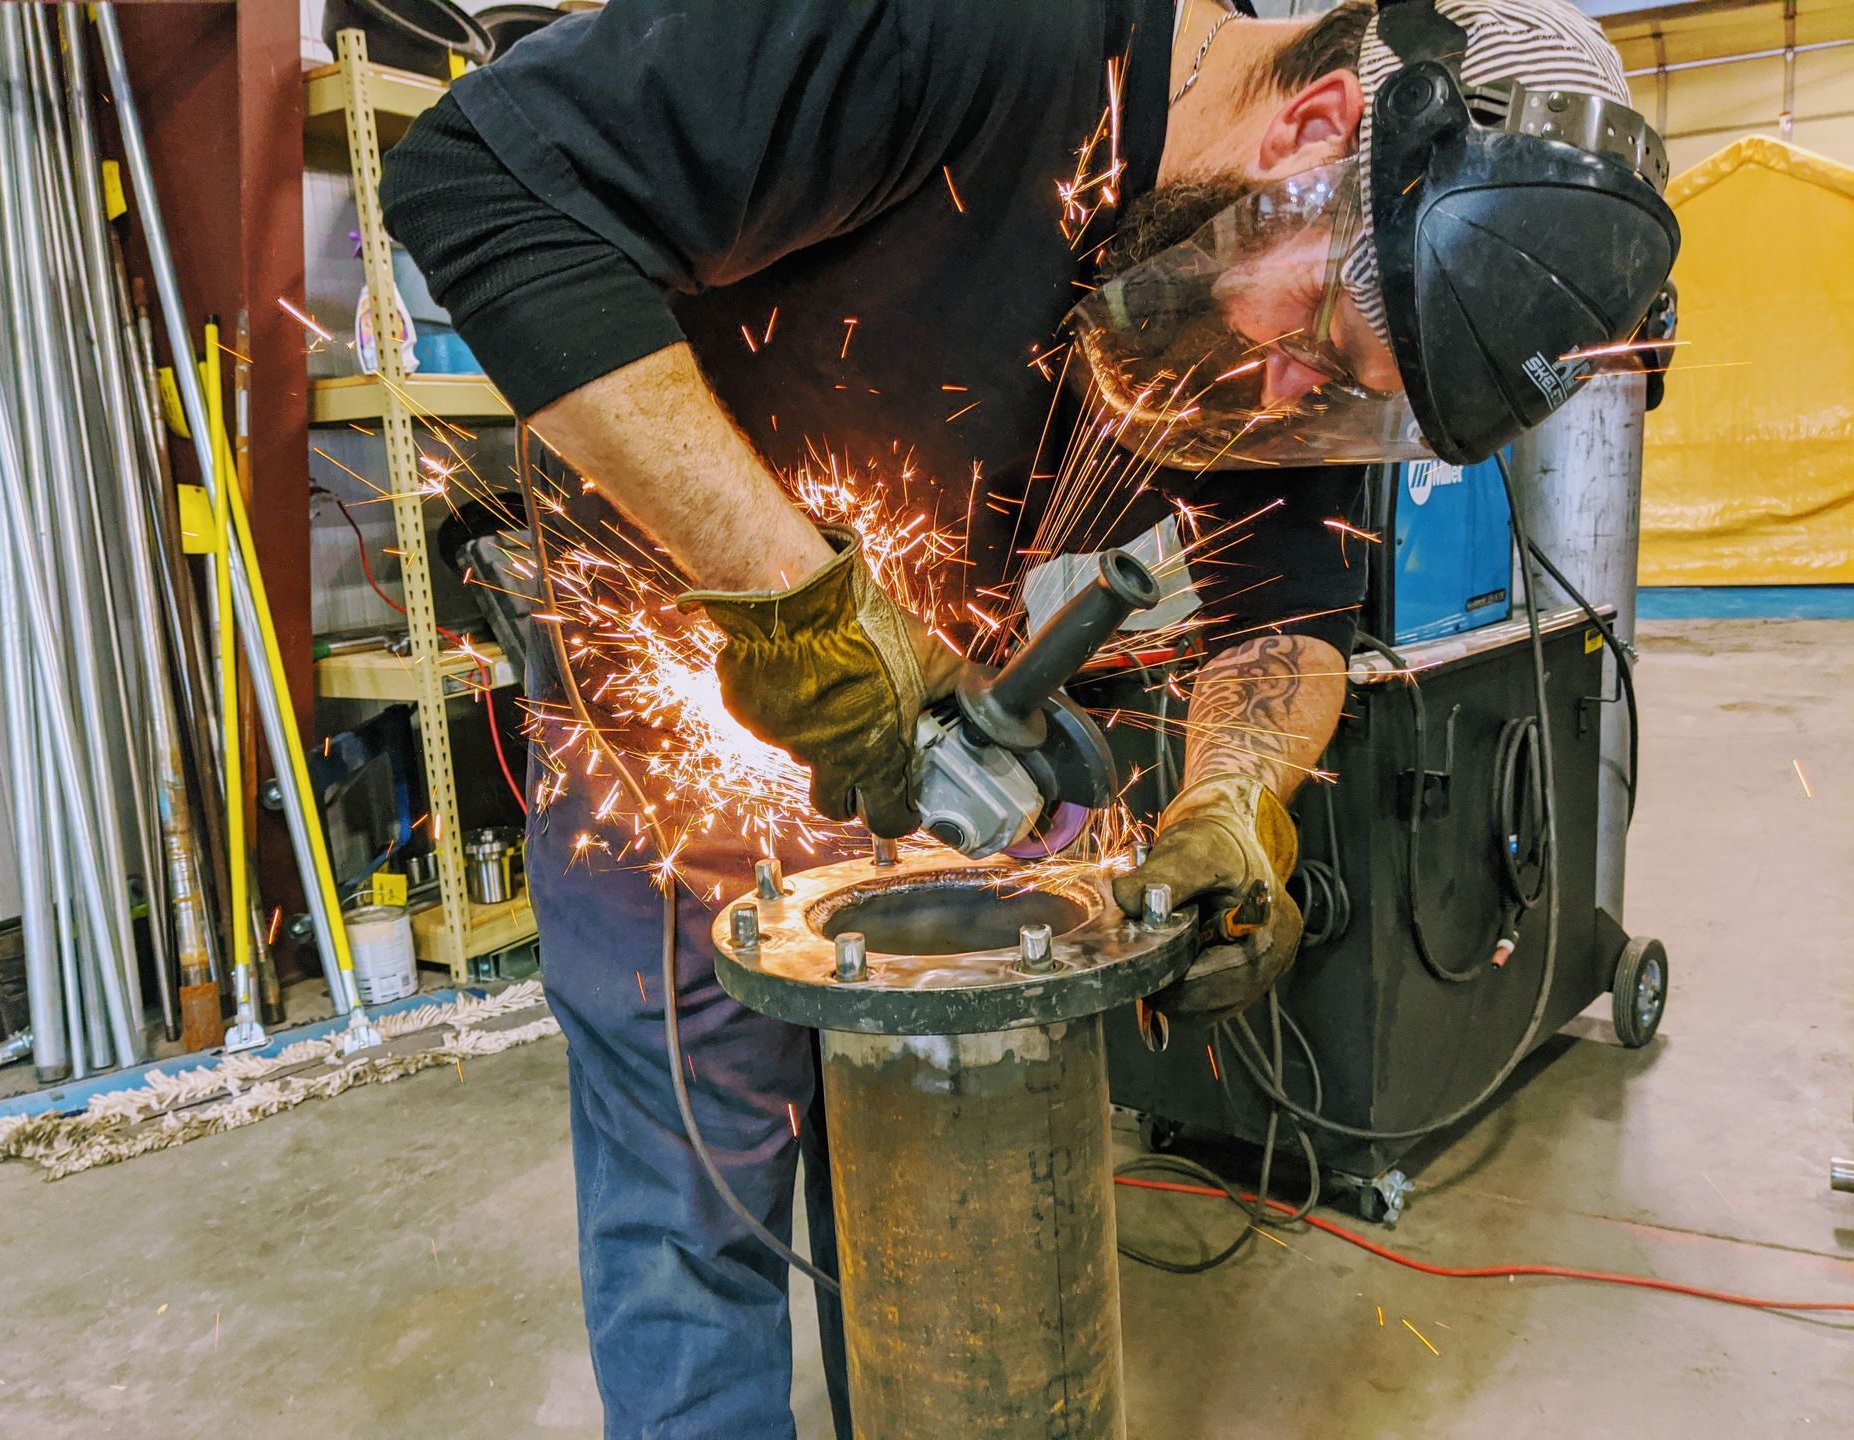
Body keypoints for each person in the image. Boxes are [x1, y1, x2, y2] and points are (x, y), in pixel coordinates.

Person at [380, 1, 1674, 1433]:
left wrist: (1229, 805)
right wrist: (791, 599)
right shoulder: (957, 29)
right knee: (702, 1207)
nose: (1294, 386)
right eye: (1318, 331)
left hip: (928, 746)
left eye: (1344, 392)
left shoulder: (1260, 278)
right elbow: (476, 181)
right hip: (676, 741)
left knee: (923, 1191)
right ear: (1315, 133)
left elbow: (1288, 619)